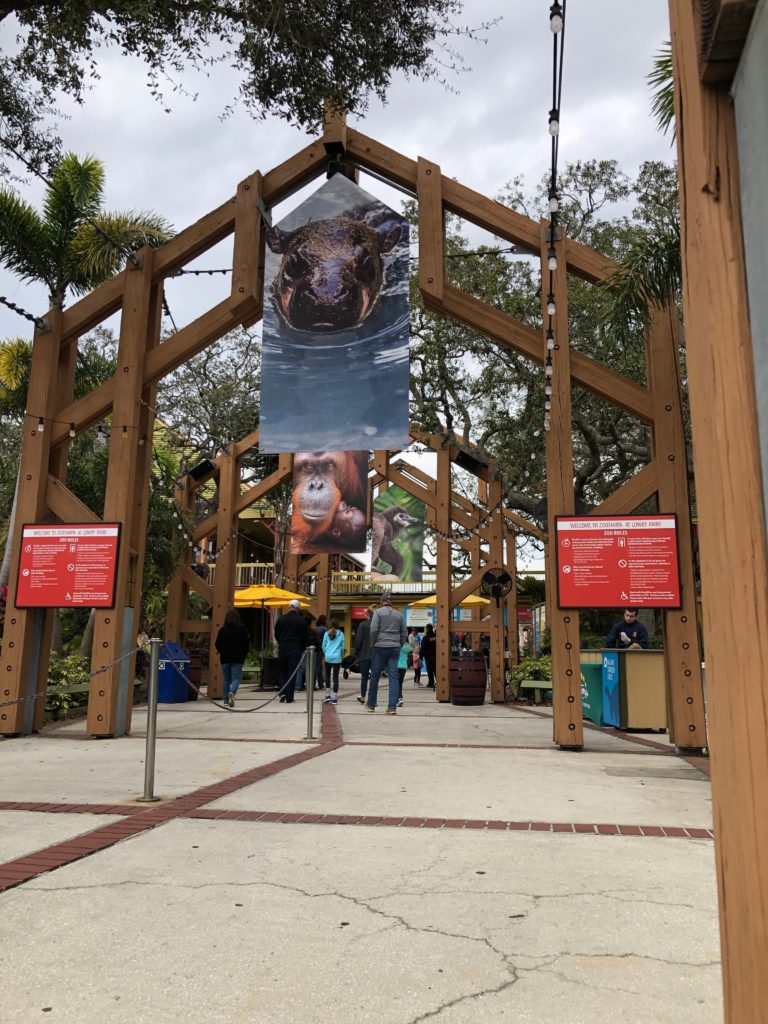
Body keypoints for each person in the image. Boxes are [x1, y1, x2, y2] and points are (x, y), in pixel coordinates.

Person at [366, 592, 407, 715]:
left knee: (375, 676)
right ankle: (391, 707)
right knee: (393, 678)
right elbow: (404, 633)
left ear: (381, 601)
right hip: (394, 648)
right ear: (391, 602)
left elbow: (373, 629)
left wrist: (373, 642)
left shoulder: (378, 613)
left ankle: (371, 705)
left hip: (379, 647)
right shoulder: (399, 615)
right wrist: (398, 643)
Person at [274, 599, 311, 703]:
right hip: (295, 648)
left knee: (282, 671)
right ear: (298, 608)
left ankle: (282, 693)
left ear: (289, 607)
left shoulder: (281, 619)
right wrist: (302, 647)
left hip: (283, 647)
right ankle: (290, 696)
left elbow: (276, 634)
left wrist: (281, 642)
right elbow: (305, 637)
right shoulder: (301, 620)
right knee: (292, 672)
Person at [214, 609, 250, 707]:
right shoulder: (242, 629)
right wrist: (244, 653)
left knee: (226, 679)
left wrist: (222, 651)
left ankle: (225, 700)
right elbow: (246, 643)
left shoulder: (222, 630)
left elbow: (217, 644)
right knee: (236, 677)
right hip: (238, 658)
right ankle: (232, 692)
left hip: (225, 658)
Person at [322, 619, 345, 705]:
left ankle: (327, 695)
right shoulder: (341, 634)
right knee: (335, 677)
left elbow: (323, 646)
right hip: (337, 658)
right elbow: (342, 647)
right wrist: (341, 656)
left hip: (328, 657)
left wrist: (326, 653)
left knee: (327, 675)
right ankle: (335, 697)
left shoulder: (326, 634)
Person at [353, 607, 374, 704]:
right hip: (376, 655)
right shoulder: (378, 625)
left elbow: (358, 641)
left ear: (367, 614)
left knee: (364, 677)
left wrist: (356, 652)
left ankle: (362, 696)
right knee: (375, 677)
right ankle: (373, 699)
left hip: (364, 655)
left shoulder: (363, 625)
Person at [313, 614, 329, 690]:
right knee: (318, 666)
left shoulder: (315, 628)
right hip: (321, 649)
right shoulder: (325, 629)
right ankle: (314, 683)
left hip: (314, 649)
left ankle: (320, 683)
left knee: (319, 666)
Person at [420, 622, 437, 689]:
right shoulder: (435, 637)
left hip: (428, 657)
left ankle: (431, 683)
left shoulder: (426, 637)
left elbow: (423, 648)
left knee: (429, 670)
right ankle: (439, 682)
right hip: (436, 656)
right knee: (436, 670)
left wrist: (420, 657)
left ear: (427, 629)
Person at [396, 638, 410, 707]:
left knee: (397, 683)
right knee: (400, 683)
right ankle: (399, 697)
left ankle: (399, 698)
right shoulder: (406, 645)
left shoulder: (397, 645)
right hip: (404, 667)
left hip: (397, 666)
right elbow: (409, 650)